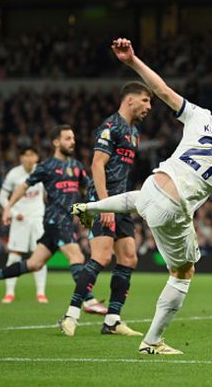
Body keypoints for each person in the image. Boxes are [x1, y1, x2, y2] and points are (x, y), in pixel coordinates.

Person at [66, 38, 212, 355]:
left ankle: (88, 207)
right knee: (183, 273)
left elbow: (161, 90)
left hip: (155, 183)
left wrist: (132, 61)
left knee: (138, 200)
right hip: (175, 207)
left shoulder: (201, 116)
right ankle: (152, 342)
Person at [0, 125, 105, 314]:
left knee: (34, 264)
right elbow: (23, 187)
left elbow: (89, 188)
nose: (72, 142)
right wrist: (8, 208)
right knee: (77, 257)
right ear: (56, 142)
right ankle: (90, 301)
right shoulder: (46, 166)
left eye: (73, 138)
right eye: (67, 138)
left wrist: (99, 205)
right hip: (55, 221)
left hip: (64, 222)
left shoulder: (76, 166)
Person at [61, 82, 151, 337]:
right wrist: (104, 205)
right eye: (145, 100)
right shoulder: (110, 127)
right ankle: (71, 315)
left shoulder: (134, 132)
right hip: (103, 199)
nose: (149, 107)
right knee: (101, 256)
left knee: (129, 257)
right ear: (130, 100)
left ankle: (112, 321)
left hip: (121, 201)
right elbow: (97, 165)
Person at [0, 146, 47, 304]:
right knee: (14, 256)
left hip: (37, 218)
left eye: (32, 155)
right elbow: (2, 197)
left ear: (37, 157)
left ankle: (41, 293)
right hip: (20, 220)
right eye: (26, 155)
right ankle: (9, 293)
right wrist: (13, 213)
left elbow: (48, 192)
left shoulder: (43, 170)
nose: (29, 158)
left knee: (40, 255)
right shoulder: (14, 174)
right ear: (21, 158)